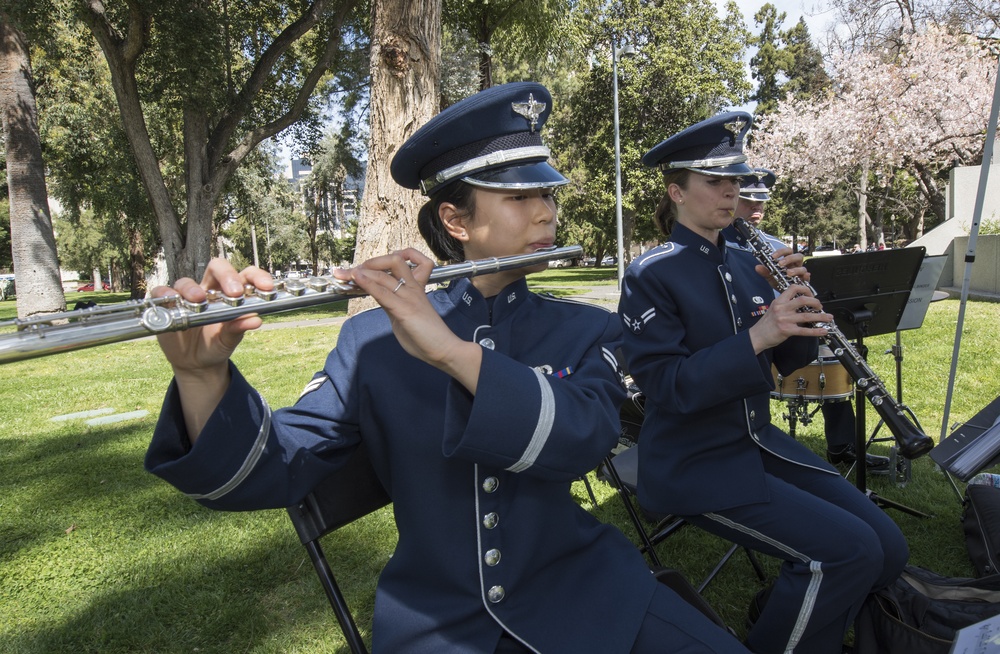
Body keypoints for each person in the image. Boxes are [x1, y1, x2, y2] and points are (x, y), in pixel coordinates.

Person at [143, 82, 748, 653]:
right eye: (520, 197)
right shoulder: (369, 341)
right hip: (438, 622)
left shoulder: (585, 329)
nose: (547, 214)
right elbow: (272, 471)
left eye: (548, 194)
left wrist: (452, 353)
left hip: (591, 592)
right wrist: (203, 377)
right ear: (456, 222)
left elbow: (583, 442)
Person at [618, 111, 908, 654]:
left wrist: (799, 309)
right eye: (716, 182)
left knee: (887, 547)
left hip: (755, 441)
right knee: (848, 553)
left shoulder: (748, 258)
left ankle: (786, 608)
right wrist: (758, 335)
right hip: (692, 460)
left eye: (736, 180)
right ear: (677, 191)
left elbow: (788, 362)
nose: (732, 193)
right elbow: (666, 388)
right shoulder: (650, 274)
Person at [723, 169, 890, 473]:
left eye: (761, 203)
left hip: (786, 336)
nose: (757, 209)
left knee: (834, 354)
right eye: (748, 201)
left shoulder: (775, 245)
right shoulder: (716, 245)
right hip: (744, 338)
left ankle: (843, 445)